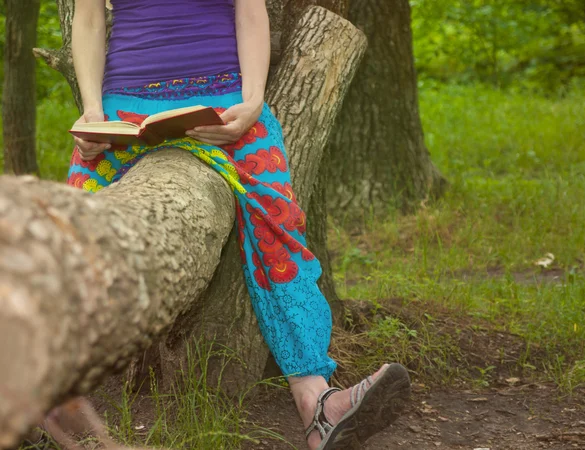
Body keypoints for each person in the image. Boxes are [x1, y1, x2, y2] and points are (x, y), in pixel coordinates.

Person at [67, 1, 411, 448]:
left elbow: (251, 12)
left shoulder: (241, 107)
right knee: (71, 233)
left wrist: (251, 104)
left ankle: (318, 402)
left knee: (279, 226)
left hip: (224, 108)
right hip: (121, 116)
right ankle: (35, 391)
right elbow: (89, 18)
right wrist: (92, 113)